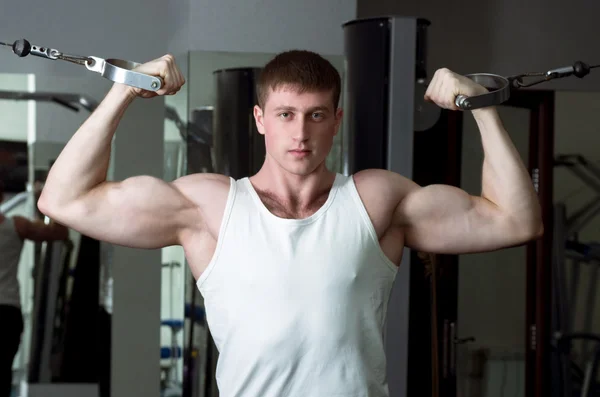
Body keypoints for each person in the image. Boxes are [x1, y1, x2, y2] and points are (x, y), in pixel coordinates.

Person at [37, 50, 543, 396]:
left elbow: (515, 221)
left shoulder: (375, 200)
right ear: (259, 118)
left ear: (337, 119)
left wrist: (480, 107)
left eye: (316, 115)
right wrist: (124, 88)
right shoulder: (209, 207)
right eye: (285, 114)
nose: (300, 133)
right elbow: (66, 200)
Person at [0, 182, 69, 397]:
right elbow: (60, 232)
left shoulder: (16, 226)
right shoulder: (17, 226)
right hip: (7, 312)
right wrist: (47, 198)